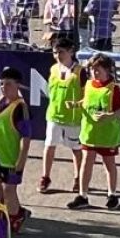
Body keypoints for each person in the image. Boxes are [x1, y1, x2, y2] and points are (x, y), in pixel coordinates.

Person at [68, 54, 120, 210]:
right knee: (86, 163)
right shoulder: (88, 85)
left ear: (107, 70)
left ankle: (112, 194)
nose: (94, 72)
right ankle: (83, 195)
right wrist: (75, 104)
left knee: (109, 164)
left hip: (107, 136)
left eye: (97, 69)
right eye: (92, 69)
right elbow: (86, 102)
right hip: (89, 133)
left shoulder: (113, 89)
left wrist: (110, 116)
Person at [0, 65, 33, 230]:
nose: (4, 88)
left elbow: (25, 139)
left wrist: (20, 162)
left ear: (17, 85)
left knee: (9, 191)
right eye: (2, 84)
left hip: (10, 159)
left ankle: (16, 217)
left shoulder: (20, 108)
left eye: (8, 84)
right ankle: (14, 212)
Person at [38, 34, 83, 195]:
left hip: (73, 119)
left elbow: (87, 95)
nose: (57, 56)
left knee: (76, 149)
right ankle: (45, 177)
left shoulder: (80, 72)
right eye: (55, 52)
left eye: (61, 52)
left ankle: (79, 177)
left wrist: (78, 105)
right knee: (49, 146)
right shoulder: (53, 69)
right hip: (54, 115)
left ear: (71, 51)